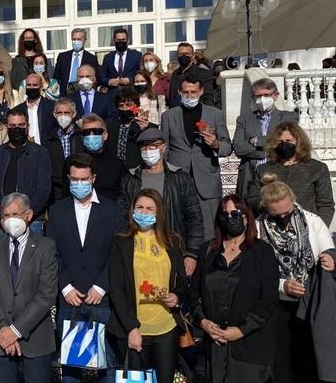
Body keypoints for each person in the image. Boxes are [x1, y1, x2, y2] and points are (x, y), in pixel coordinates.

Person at [46, 153, 126, 383]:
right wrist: (65, 287)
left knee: (107, 364)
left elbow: (118, 254)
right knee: (71, 365)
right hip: (69, 298)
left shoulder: (113, 210)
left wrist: (101, 287)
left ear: (93, 178)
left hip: (100, 299)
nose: (79, 183)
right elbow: (52, 254)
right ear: (68, 179)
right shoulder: (57, 210)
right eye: (74, 179)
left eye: (84, 179)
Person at [189, 195, 279, 383]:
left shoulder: (262, 252)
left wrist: (240, 330)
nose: (231, 218)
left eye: (236, 213)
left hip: (251, 340)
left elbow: (268, 299)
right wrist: (204, 321)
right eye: (226, 214)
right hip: (218, 339)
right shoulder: (208, 250)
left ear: (247, 218)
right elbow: (194, 292)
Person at [255, 177, 336, 383]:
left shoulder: (312, 221)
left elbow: (327, 250)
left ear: (293, 201)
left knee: (306, 362)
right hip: (276, 303)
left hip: (308, 301)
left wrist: (330, 260)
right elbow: (258, 270)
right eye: (277, 215)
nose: (284, 218)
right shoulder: (259, 228)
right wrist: (283, 286)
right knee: (279, 363)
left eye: (287, 211)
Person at [108, 188, 188, 383]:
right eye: (140, 208)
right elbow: (117, 289)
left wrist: (176, 297)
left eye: (149, 209)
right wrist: (132, 328)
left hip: (166, 329)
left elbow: (182, 282)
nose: (143, 212)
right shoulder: (121, 243)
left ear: (158, 213)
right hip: (135, 330)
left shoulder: (171, 242)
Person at [0, 193, 58, 383]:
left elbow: (46, 294)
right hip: (0, 338)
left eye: (15, 214)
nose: (10, 220)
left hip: (35, 338)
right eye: (5, 216)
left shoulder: (46, 247)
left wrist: (15, 331)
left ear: (29, 215)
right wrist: (3, 329)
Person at [160, 71, 232, 241]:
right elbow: (165, 148)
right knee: (179, 230)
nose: (190, 95)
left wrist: (215, 144)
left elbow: (227, 147)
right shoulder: (168, 116)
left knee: (210, 233)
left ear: (200, 92)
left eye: (193, 92)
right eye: (186, 92)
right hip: (178, 178)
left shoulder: (215, 114)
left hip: (206, 180)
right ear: (179, 92)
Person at [118, 128, 205, 263]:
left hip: (171, 249)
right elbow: (121, 216)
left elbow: (194, 218)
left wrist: (192, 253)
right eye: (144, 146)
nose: (148, 150)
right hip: (138, 250)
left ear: (163, 147)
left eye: (153, 145)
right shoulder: (130, 180)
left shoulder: (180, 179)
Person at [246, 121, 334, 226]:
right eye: (280, 142)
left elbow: (326, 204)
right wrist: (267, 203)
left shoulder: (317, 168)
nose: (284, 144)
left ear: (298, 142)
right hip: (272, 227)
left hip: (307, 227)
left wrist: (319, 228)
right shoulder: (263, 170)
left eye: (288, 141)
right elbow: (252, 200)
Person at [0, 107, 52, 233]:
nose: (17, 129)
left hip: (31, 221)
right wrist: (0, 218)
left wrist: (27, 215)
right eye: (13, 125)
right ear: (6, 127)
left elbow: (44, 188)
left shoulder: (40, 153)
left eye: (21, 125)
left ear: (27, 126)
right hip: (4, 222)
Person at [233, 79, 299, 197]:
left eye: (266, 95)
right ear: (252, 97)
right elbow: (238, 148)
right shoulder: (244, 119)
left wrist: (256, 141)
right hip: (250, 176)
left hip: (278, 174)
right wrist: (267, 150)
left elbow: (284, 145)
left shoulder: (287, 118)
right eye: (258, 96)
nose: (262, 99)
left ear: (275, 95)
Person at [78, 114, 128, 201]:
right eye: (86, 132)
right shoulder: (74, 163)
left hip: (110, 212)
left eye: (96, 131)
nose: (91, 135)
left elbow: (124, 196)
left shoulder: (117, 164)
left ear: (105, 135)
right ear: (82, 137)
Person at [43, 97, 83, 201]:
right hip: (57, 192)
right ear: (54, 114)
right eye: (60, 113)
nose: (63, 116)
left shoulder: (82, 136)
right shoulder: (48, 140)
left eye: (67, 113)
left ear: (74, 114)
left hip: (80, 186)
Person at [106, 86, 154, 169]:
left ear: (136, 106)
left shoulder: (148, 127)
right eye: (121, 106)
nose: (124, 109)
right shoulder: (110, 127)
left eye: (128, 105)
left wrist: (143, 131)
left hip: (136, 171)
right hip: (115, 169)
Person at [170, 43, 218, 108]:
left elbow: (208, 99)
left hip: (196, 114)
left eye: (186, 54)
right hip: (176, 113)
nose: (183, 56)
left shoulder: (203, 74)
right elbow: (172, 96)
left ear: (192, 56)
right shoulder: (175, 74)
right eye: (180, 54)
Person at [52, 27, 100, 92]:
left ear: (85, 40)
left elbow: (97, 78)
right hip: (65, 92)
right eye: (74, 39)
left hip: (83, 91)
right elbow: (55, 77)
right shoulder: (62, 57)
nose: (76, 41)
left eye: (79, 39)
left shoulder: (91, 58)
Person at [14, 73, 56, 144]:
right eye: (29, 85)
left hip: (47, 150)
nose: (32, 88)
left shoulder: (51, 106)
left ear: (41, 87)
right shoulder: (18, 110)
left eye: (35, 85)